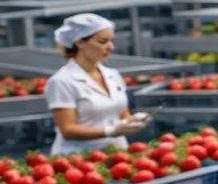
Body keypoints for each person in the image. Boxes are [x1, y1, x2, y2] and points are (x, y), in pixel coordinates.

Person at [45, 13, 148, 155]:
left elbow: (122, 115)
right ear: (79, 42)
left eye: (112, 41)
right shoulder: (62, 81)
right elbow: (68, 130)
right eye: (103, 41)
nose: (110, 47)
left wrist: (134, 121)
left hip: (117, 154)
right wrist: (109, 131)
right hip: (78, 159)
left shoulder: (113, 75)